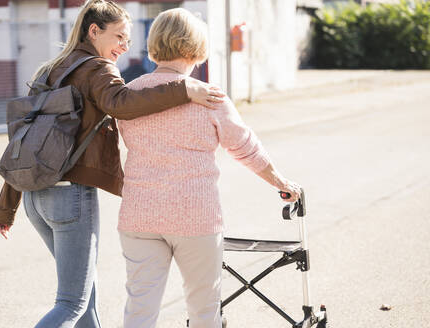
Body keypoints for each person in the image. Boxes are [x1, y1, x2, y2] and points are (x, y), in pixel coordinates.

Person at [0, 1, 225, 327]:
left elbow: (26, 144)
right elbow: (123, 103)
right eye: (119, 36)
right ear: (94, 31)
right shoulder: (96, 68)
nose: (124, 46)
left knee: (84, 299)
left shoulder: (49, 70)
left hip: (34, 200)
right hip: (69, 197)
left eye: (128, 40)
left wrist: (7, 207)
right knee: (71, 302)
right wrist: (184, 88)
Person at [116, 8, 302, 328]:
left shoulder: (129, 96)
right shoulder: (209, 97)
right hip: (195, 217)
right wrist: (281, 182)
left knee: (140, 308)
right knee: (204, 309)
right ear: (195, 48)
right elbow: (245, 148)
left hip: (139, 214)